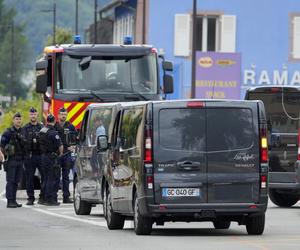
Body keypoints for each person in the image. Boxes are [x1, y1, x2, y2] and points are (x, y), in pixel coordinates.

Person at [0, 112, 25, 208]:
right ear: (13, 120)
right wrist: (4, 156)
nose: (18, 121)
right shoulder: (8, 132)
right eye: (16, 119)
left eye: (19, 119)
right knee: (10, 181)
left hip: (20, 159)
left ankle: (14, 200)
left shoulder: (23, 131)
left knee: (16, 181)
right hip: (11, 160)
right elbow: (2, 146)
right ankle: (10, 201)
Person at [54, 107, 77, 204]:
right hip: (57, 154)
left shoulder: (70, 126)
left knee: (66, 177)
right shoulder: (54, 126)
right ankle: (54, 197)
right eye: (62, 114)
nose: (63, 116)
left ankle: (66, 197)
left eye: (65, 114)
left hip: (67, 154)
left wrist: (73, 146)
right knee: (55, 176)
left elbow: (76, 138)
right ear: (58, 115)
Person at [39, 114, 63, 206]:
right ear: (54, 121)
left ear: (47, 121)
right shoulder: (54, 133)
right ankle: (50, 199)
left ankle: (42, 198)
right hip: (51, 157)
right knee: (51, 179)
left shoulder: (42, 131)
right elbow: (60, 146)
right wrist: (60, 154)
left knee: (45, 178)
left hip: (43, 157)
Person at [22, 107, 44, 205]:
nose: (33, 116)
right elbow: (22, 142)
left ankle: (42, 196)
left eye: (34, 114)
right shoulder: (25, 128)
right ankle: (30, 198)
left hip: (40, 155)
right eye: (31, 114)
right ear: (29, 115)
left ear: (37, 114)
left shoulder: (42, 127)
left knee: (44, 176)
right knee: (29, 178)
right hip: (30, 156)